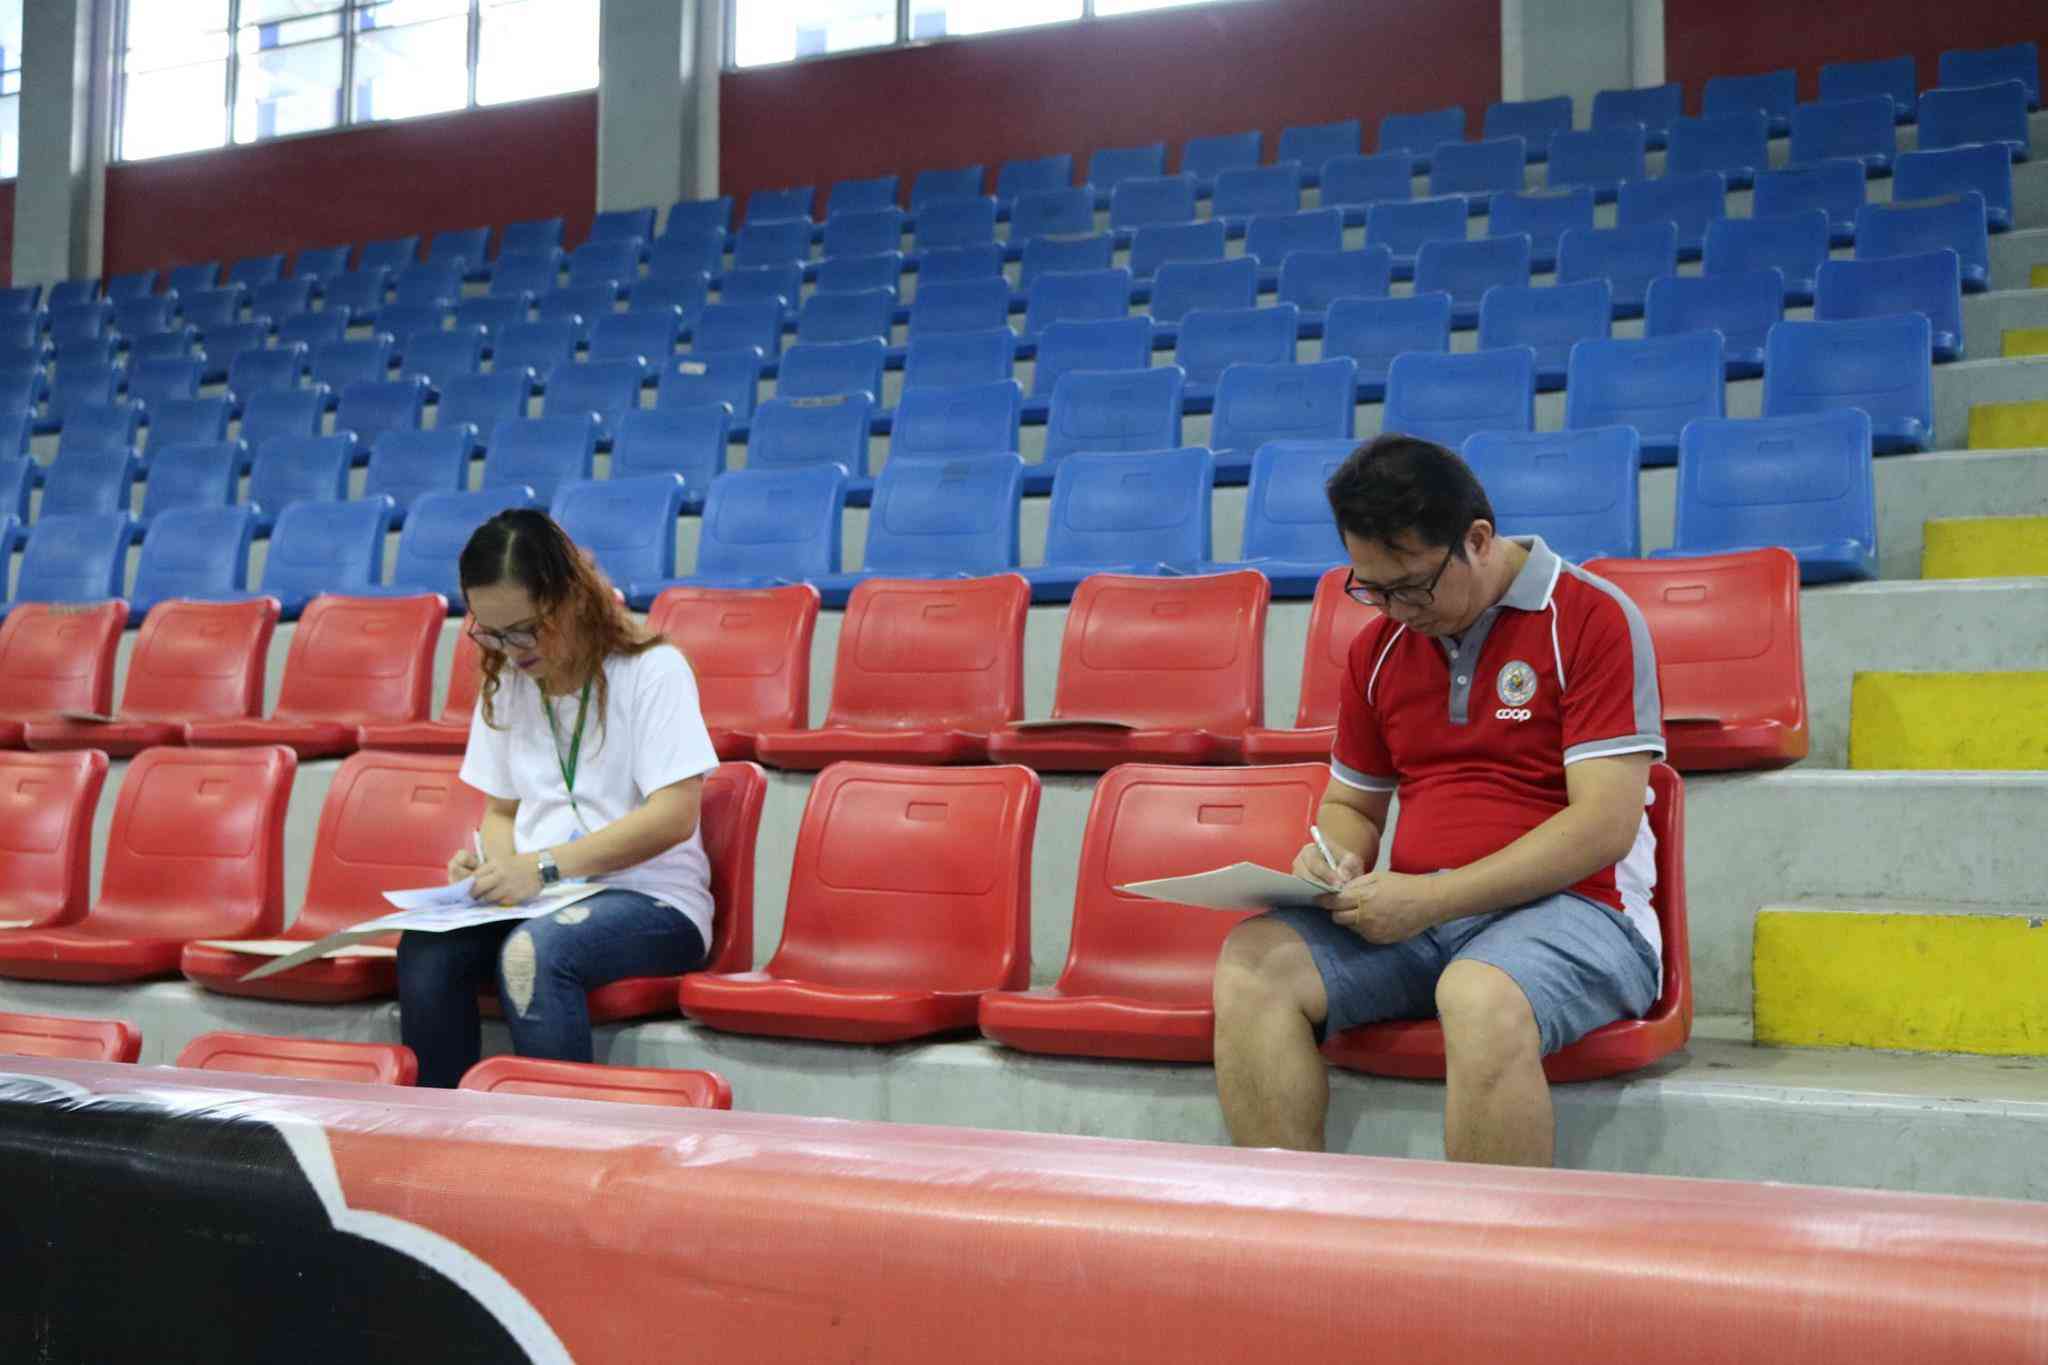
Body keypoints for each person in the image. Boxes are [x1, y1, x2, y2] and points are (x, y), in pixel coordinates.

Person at [1212, 434, 1666, 1166]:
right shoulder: (1378, 650)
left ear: (1477, 540)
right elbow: (1353, 806)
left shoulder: (1590, 618)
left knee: (1480, 994)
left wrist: (1432, 899)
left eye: (1412, 585)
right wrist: (1333, 857)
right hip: (1424, 920)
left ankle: (1483, 1243)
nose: (1395, 609)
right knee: (1252, 962)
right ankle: (1289, 1218)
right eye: (1372, 588)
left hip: (1582, 911)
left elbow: (1603, 826)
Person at [396, 508, 721, 1088]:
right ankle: (443, 1128)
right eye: (491, 633)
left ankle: (558, 1138)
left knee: (534, 954)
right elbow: (501, 811)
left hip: (651, 900)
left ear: (570, 598)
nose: (510, 649)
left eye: (524, 629)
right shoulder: (506, 681)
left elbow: (674, 816)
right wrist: (498, 872)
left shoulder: (652, 669)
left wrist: (541, 867)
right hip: (544, 897)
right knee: (426, 948)